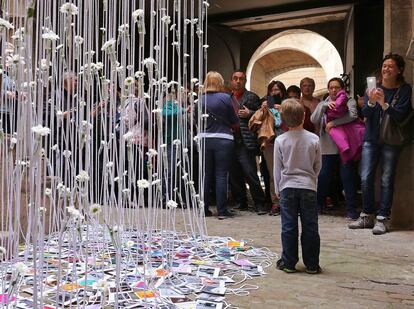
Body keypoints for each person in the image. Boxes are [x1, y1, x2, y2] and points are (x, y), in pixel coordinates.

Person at [349, 53, 413, 234]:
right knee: (365, 177)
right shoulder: (373, 88)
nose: (386, 69)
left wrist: (384, 103)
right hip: (371, 139)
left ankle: (383, 218)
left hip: (391, 141)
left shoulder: (404, 89)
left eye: (390, 66)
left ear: (399, 70)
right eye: (384, 66)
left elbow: (401, 115)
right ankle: (367, 215)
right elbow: (366, 116)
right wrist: (370, 101)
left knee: (386, 179)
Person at [274, 99, 321, 274]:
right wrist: (311, 180)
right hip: (308, 187)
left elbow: (277, 168)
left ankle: (288, 262)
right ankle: (312, 264)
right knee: (310, 225)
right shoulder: (313, 139)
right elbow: (318, 165)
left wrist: (278, 189)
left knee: (288, 225)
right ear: (303, 116)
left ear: (283, 119)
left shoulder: (280, 140)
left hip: (287, 187)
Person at [311, 78, 360, 219]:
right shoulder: (323, 103)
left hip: (345, 144)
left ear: (342, 88)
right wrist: (324, 106)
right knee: (324, 175)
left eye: (337, 87)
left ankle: (351, 209)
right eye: (331, 87)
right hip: (327, 144)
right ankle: (318, 205)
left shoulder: (349, 100)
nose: (333, 90)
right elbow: (314, 120)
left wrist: (333, 122)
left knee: (347, 176)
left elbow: (353, 115)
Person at [199, 71, 239, 219]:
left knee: (206, 175)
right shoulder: (226, 98)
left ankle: (204, 209)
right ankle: (222, 211)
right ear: (220, 83)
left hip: (204, 138)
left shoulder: (200, 99)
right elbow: (235, 120)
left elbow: (196, 121)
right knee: (221, 175)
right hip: (223, 138)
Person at [229, 70, 266, 214]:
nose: (238, 81)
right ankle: (241, 202)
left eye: (241, 79)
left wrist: (249, 113)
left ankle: (260, 203)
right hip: (231, 139)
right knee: (234, 173)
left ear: (245, 81)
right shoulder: (227, 97)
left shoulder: (252, 97)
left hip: (245, 140)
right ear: (231, 81)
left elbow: (262, 115)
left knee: (250, 172)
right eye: (235, 78)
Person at [259, 80, 287, 215]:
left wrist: (283, 111)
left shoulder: (289, 104)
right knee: (273, 173)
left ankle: (287, 202)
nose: (275, 93)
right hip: (270, 142)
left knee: (286, 171)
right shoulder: (265, 104)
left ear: (282, 91)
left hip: (286, 141)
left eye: (277, 90)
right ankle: (276, 203)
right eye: (272, 90)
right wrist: (263, 109)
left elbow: (292, 122)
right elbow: (259, 122)